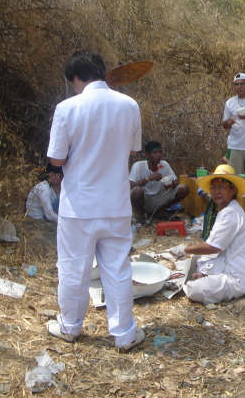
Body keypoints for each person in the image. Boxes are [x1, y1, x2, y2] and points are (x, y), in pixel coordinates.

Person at [46, 51, 144, 351]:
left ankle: (71, 326)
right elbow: (131, 150)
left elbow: (57, 158)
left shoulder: (67, 108)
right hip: (115, 204)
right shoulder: (129, 105)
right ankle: (124, 333)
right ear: (101, 73)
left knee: (74, 268)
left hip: (79, 206)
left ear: (76, 77)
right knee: (117, 269)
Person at [178, 165, 245, 304]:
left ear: (232, 190)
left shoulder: (230, 213)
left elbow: (213, 247)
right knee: (198, 258)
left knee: (193, 289)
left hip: (239, 280)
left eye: (222, 187)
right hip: (233, 264)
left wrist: (184, 249)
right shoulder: (230, 209)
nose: (217, 192)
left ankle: (205, 278)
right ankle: (206, 275)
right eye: (214, 188)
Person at [129, 141, 189, 223]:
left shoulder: (164, 164)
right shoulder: (138, 166)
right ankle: (140, 216)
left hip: (159, 198)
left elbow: (175, 181)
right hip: (145, 199)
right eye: (155, 152)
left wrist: (172, 184)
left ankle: (159, 212)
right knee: (137, 191)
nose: (158, 155)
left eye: (160, 152)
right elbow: (130, 186)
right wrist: (148, 179)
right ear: (147, 155)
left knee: (184, 188)